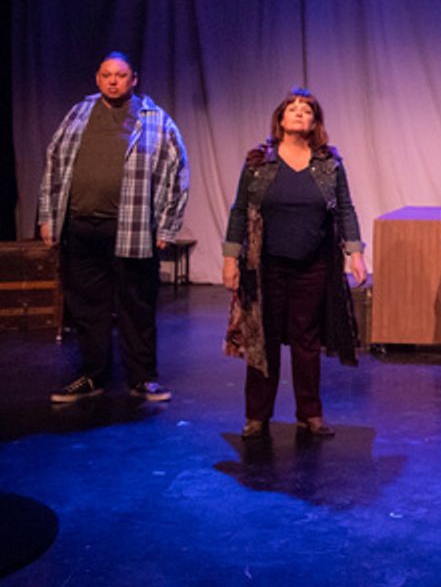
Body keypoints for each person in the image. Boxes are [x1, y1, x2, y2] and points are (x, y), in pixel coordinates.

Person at [39, 51, 189, 403]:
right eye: (106, 75)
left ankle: (142, 378)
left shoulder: (155, 119)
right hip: (80, 225)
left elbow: (176, 174)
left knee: (135, 305)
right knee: (87, 308)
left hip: (132, 229)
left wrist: (167, 227)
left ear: (133, 79)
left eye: (120, 75)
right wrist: (48, 216)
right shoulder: (79, 113)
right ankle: (93, 375)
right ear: (97, 78)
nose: (113, 81)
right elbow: (54, 164)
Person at [222, 88, 367, 440]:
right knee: (263, 339)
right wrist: (230, 258)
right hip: (265, 265)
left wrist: (355, 252)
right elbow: (240, 210)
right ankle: (257, 416)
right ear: (281, 118)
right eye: (293, 108)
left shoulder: (329, 163)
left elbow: (345, 207)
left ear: (315, 121)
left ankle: (310, 414)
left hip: (313, 264)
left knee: (307, 340)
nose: (300, 113)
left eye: (307, 110)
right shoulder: (259, 162)